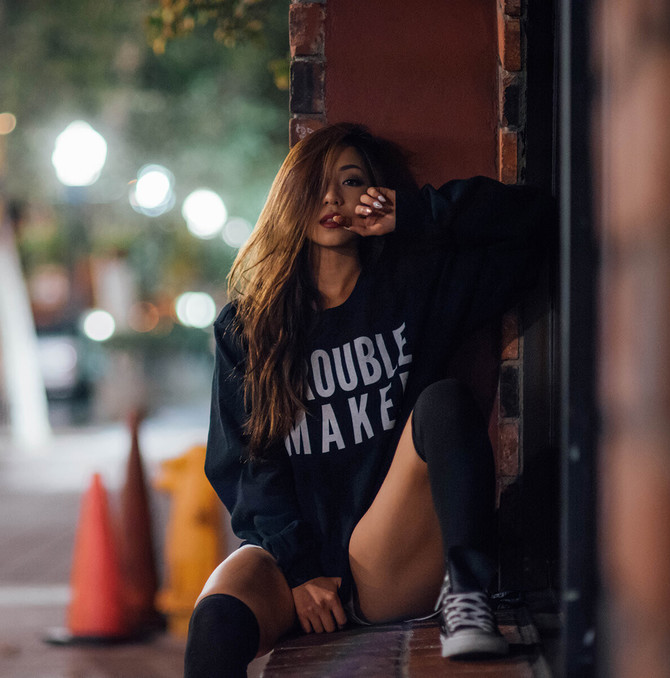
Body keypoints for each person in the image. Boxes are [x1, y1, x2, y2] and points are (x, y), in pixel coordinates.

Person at [184, 123, 552, 677]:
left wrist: (416, 213)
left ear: (376, 194)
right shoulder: (249, 327)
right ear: (290, 198)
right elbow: (242, 462)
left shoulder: (414, 285)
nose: (333, 198)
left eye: (352, 181)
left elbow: (537, 218)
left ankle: (467, 597)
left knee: (443, 402)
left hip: (386, 555)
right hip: (292, 564)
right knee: (214, 623)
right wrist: (300, 570)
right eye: (317, 184)